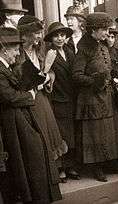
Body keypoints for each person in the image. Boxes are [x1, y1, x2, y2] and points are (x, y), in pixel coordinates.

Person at [0, 27, 61, 204]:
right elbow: (9, 97)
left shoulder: (7, 67)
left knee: (31, 155)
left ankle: (32, 195)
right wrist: (32, 94)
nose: (17, 53)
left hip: (19, 118)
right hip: (12, 122)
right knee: (28, 156)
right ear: (5, 50)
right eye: (14, 49)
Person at [72, 12, 118, 182]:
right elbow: (76, 75)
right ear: (93, 30)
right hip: (91, 100)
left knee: (110, 131)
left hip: (107, 97)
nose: (107, 33)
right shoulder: (84, 50)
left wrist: (113, 77)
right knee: (95, 133)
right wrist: (94, 81)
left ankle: (111, 163)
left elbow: (106, 68)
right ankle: (96, 167)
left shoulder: (102, 45)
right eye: (104, 29)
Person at [16, 15, 68, 178]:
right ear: (25, 35)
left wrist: (47, 77)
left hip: (42, 97)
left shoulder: (40, 50)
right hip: (28, 99)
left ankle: (55, 169)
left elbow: (48, 73)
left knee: (50, 130)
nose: (40, 36)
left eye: (41, 32)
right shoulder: (17, 54)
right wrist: (45, 71)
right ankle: (44, 172)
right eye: (37, 33)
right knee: (40, 134)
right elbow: (22, 79)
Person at [44, 22, 81, 182]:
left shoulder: (70, 51)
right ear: (51, 38)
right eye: (56, 35)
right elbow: (45, 76)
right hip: (57, 99)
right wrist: (47, 66)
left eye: (62, 35)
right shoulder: (49, 53)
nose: (59, 38)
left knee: (72, 133)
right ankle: (61, 168)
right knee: (61, 134)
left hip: (72, 97)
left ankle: (71, 166)